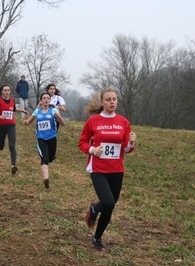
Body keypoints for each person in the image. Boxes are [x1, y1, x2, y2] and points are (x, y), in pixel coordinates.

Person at [78, 88, 136, 252]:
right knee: (108, 202)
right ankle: (94, 209)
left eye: (114, 99)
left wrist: (131, 143)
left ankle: (97, 238)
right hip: (98, 168)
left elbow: (125, 149)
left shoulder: (123, 122)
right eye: (108, 99)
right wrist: (92, 150)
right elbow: (82, 143)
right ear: (102, 102)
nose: (112, 102)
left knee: (111, 206)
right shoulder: (93, 121)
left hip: (117, 169)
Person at [23, 92, 66, 189]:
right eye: (44, 98)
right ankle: (46, 179)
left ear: (49, 101)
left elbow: (63, 124)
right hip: (41, 139)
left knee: (50, 158)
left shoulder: (53, 110)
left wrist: (58, 116)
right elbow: (29, 121)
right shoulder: (37, 111)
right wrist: (26, 122)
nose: (46, 100)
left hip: (52, 138)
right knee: (44, 159)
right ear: (41, 101)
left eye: (47, 98)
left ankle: (49, 160)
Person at [0, 84, 29, 174]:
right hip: (1, 126)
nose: (6, 92)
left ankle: (13, 165)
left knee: (12, 146)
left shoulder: (12, 100)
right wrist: (0, 116)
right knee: (1, 147)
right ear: (1, 92)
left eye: (8, 90)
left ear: (10, 91)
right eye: (5, 90)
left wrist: (23, 110)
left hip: (11, 126)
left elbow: (14, 109)